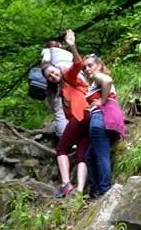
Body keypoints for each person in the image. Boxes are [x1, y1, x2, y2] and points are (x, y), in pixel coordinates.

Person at [43, 30, 91, 199]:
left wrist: (72, 45)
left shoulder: (69, 76)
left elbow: (78, 63)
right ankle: (79, 190)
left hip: (83, 115)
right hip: (86, 119)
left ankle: (65, 184)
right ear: (47, 79)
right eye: (49, 76)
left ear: (58, 70)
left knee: (61, 148)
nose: (53, 76)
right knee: (81, 154)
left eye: (54, 72)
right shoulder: (56, 93)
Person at [82, 55, 126, 197]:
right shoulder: (95, 82)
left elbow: (107, 81)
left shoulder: (99, 77)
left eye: (90, 65)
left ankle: (104, 190)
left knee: (101, 155)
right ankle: (95, 189)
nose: (87, 69)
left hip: (101, 118)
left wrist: (101, 101)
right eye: (85, 67)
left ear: (99, 65)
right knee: (90, 155)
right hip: (109, 119)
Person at [41, 36, 74, 137]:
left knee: (59, 112)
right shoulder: (67, 53)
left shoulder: (47, 51)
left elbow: (45, 61)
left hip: (58, 81)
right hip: (71, 77)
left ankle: (64, 136)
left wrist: (45, 68)